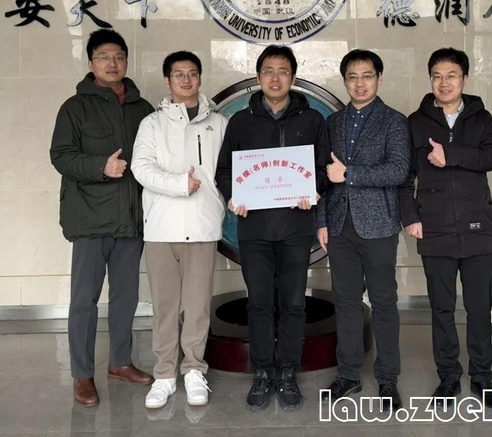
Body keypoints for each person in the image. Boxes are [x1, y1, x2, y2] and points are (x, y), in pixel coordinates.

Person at [215, 45, 331, 411]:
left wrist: (313, 190)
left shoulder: (312, 121)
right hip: (255, 230)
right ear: (259, 77)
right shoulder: (241, 122)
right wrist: (233, 196)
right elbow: (224, 171)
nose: (275, 77)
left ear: (293, 77)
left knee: (294, 303)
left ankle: (288, 372)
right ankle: (263, 371)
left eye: (283, 71)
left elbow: (323, 170)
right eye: (269, 70)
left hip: (296, 228)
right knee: (260, 303)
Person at [50, 29, 155, 407]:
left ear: (126, 61)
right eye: (104, 57)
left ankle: (120, 363)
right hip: (90, 219)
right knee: (84, 300)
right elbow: (61, 156)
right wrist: (100, 167)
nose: (113, 63)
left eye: (119, 56)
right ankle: (82, 374)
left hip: (131, 218)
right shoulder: (74, 108)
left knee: (126, 297)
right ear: (91, 63)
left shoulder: (143, 109)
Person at [399, 47, 492, 408]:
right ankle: (448, 376)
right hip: (435, 228)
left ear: (464, 79)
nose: (444, 83)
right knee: (442, 309)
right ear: (430, 79)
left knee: (479, 308)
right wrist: (410, 217)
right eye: (437, 76)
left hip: (478, 228)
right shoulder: (415, 122)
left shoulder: (481, 117)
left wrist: (451, 154)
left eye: (452, 76)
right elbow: (405, 177)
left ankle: (482, 377)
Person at [131, 51, 228, 409]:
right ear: (167, 81)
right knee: (165, 307)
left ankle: (194, 370)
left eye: (192, 74)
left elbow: (230, 170)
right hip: (161, 228)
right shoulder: (151, 124)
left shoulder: (219, 124)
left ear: (200, 78)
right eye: (178, 74)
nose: (186, 80)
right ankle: (164, 375)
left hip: (202, 227)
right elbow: (141, 168)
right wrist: (177, 184)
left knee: (198, 306)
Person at [316, 50, 411, 411]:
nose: (360, 83)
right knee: (346, 301)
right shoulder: (333, 122)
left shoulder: (394, 121)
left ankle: (388, 379)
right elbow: (325, 176)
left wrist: (351, 174)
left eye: (367, 76)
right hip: (340, 225)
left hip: (379, 225)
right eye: (353, 77)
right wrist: (322, 220)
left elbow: (398, 170)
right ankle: (349, 375)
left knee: (384, 302)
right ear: (344, 81)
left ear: (379, 79)